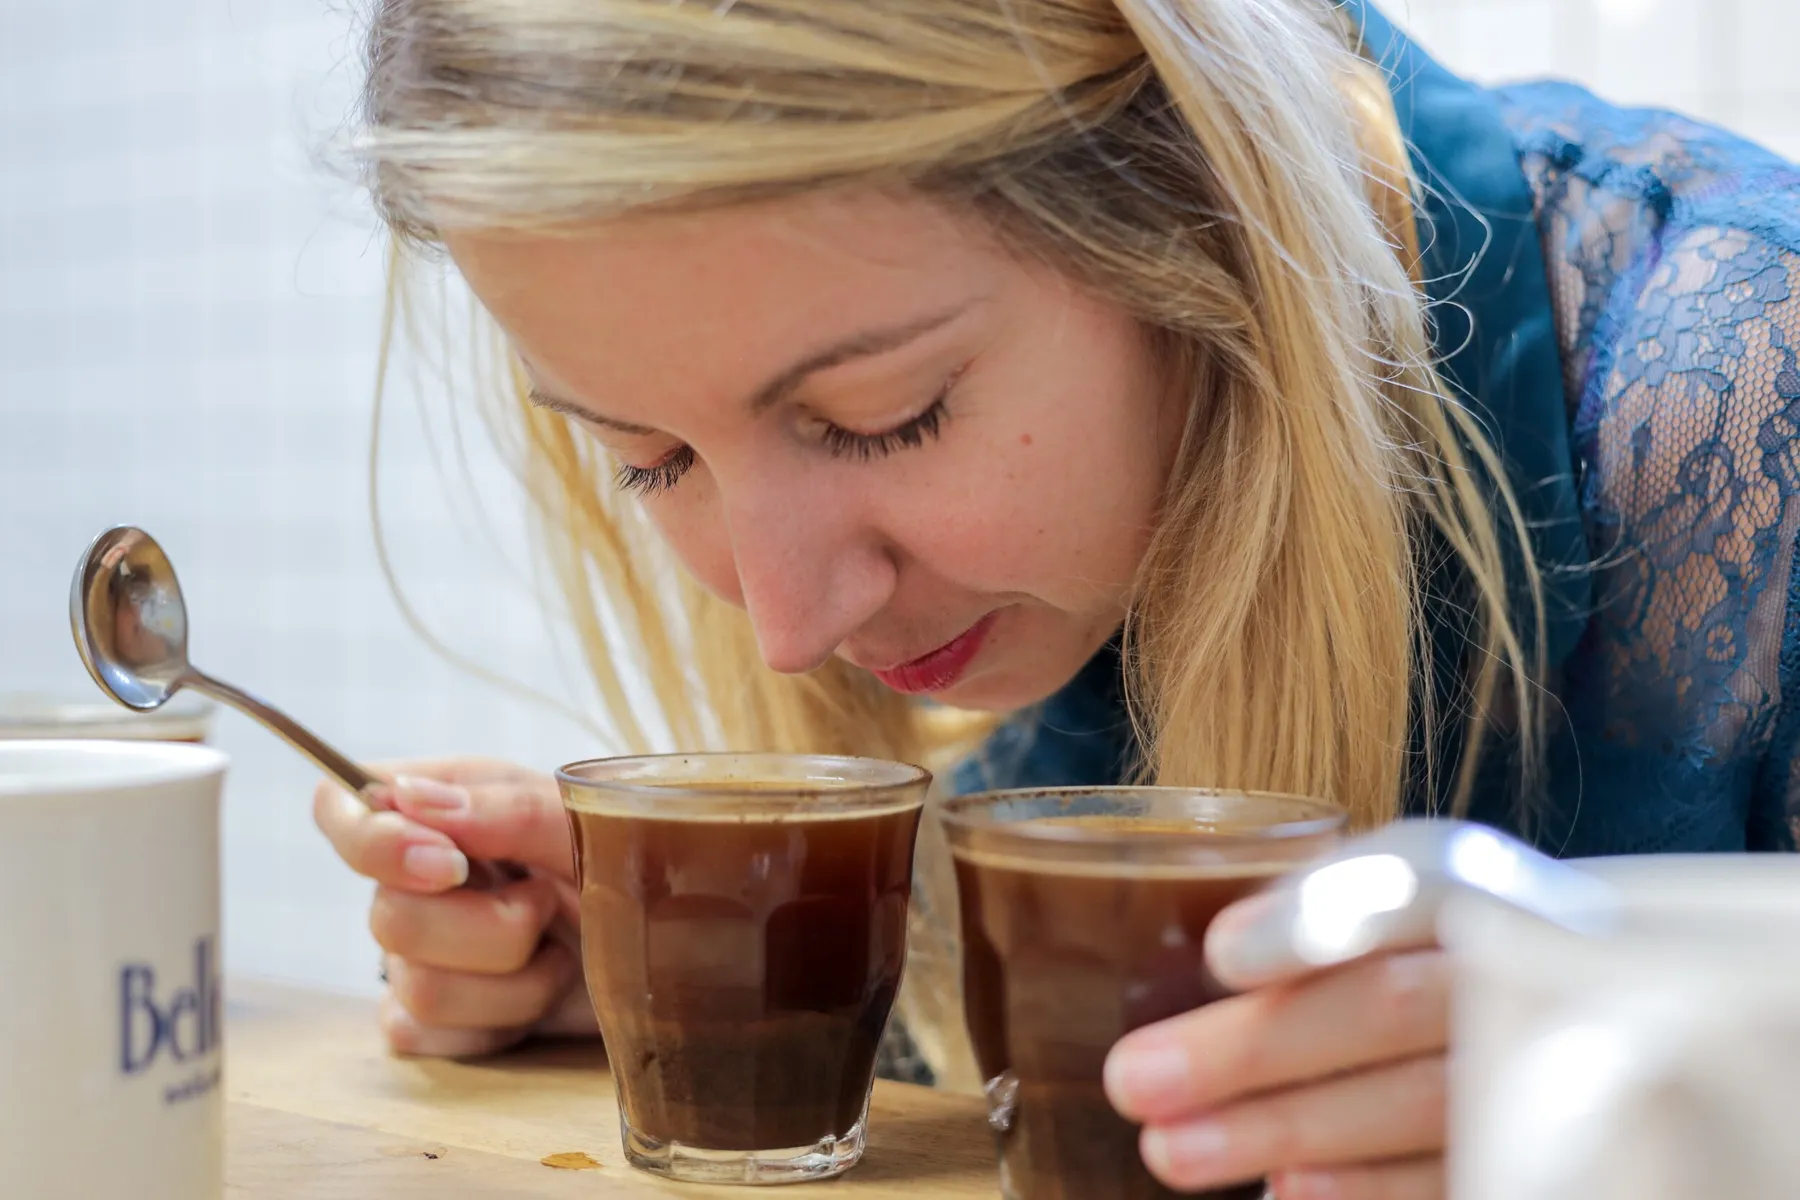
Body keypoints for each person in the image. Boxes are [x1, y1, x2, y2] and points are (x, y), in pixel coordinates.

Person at [313, 0, 1800, 1196]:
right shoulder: (1038, 597)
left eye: (885, 414)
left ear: (1194, 212)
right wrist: (675, 984)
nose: (787, 622)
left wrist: (1713, 1104)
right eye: (651, 460)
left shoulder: (1741, 392)